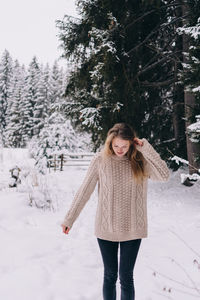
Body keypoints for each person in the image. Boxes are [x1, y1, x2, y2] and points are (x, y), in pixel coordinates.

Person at [61, 123, 170, 300]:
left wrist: (146, 148)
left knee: (126, 277)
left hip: (133, 228)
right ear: (110, 143)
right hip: (106, 228)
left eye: (124, 146)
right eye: (116, 145)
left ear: (131, 144)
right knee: (110, 276)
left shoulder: (140, 160)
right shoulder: (100, 160)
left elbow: (164, 175)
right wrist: (69, 219)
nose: (120, 149)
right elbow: (84, 191)